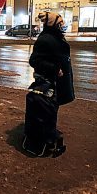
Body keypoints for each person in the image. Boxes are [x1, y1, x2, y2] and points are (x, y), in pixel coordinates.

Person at [23, 12, 75, 157]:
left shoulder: (55, 36)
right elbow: (34, 61)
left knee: (52, 108)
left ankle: (49, 132)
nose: (63, 25)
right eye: (60, 23)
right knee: (48, 107)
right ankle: (47, 136)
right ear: (54, 24)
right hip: (49, 82)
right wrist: (54, 69)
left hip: (57, 81)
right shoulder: (45, 39)